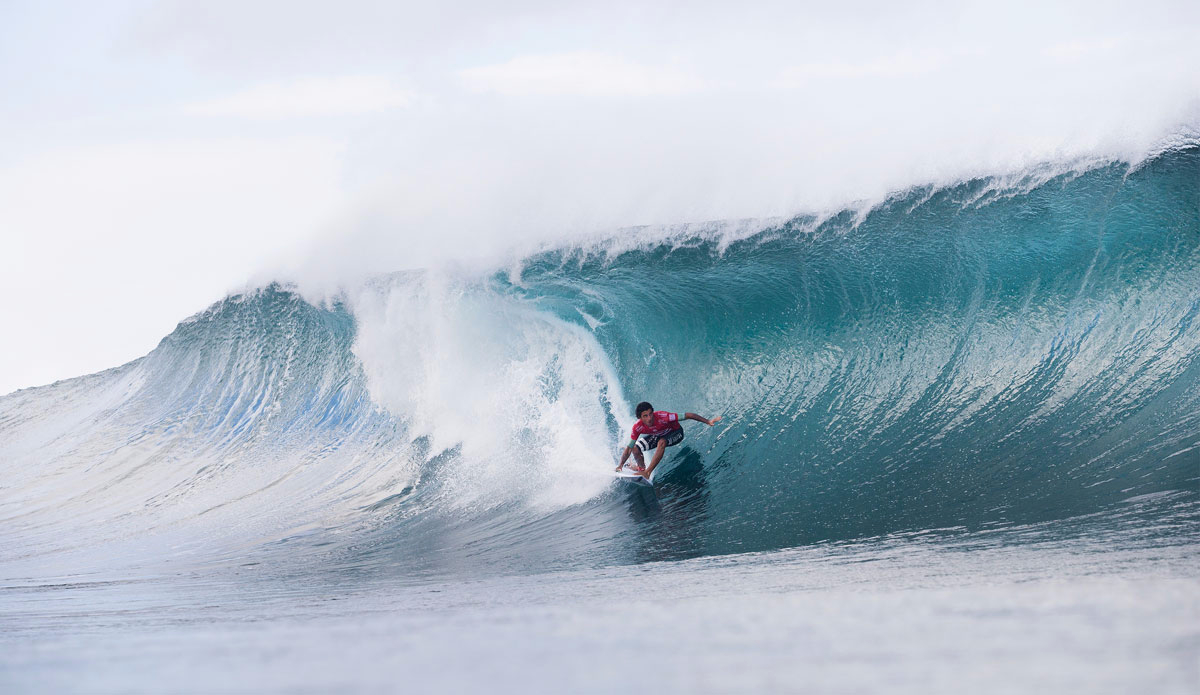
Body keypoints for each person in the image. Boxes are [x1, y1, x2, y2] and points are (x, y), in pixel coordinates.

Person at [615, 401, 722, 479]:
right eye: (645, 416)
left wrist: (708, 421)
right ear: (640, 418)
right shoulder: (637, 427)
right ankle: (641, 469)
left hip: (676, 433)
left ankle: (647, 472)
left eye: (650, 414)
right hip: (658, 435)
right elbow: (629, 448)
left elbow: (688, 415)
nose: (649, 418)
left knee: (662, 442)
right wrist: (620, 465)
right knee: (635, 448)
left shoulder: (664, 416)